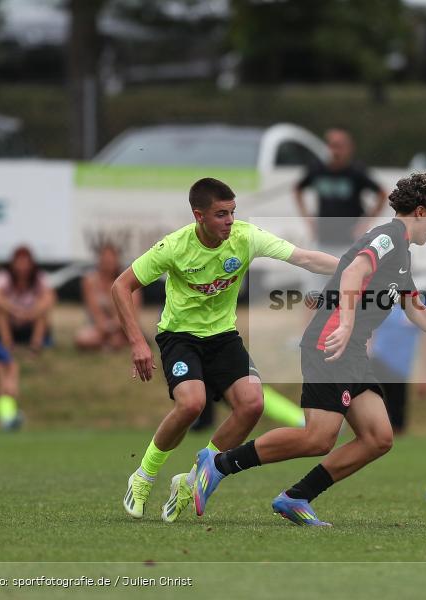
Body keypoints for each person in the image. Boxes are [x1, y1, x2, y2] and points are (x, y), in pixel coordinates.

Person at [192, 171, 426, 527]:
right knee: (318, 437)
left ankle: (296, 497)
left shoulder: (401, 251)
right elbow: (354, 272)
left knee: (378, 437)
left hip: (352, 352)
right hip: (331, 343)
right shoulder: (388, 237)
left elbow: (414, 306)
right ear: (420, 212)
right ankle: (218, 464)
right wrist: (344, 323)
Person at [113, 177, 339, 523]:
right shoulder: (174, 247)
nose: (230, 221)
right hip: (180, 337)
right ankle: (143, 476)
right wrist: (137, 342)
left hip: (223, 337)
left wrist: (355, 268)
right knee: (191, 404)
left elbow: (306, 258)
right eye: (221, 214)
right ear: (198, 215)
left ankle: (190, 481)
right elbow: (121, 286)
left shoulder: (245, 237)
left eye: (233, 212)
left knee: (252, 404)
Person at [294, 128, 388, 258]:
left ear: (349, 148)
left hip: (349, 240)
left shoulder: (356, 171)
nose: (335, 151)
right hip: (323, 238)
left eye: (339, 146)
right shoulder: (317, 169)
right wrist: (308, 219)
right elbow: (298, 189)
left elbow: (382, 194)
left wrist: (366, 223)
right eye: (331, 146)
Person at [368, 301, 426, 434]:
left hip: (400, 371)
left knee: (398, 421)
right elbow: (370, 335)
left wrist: (425, 375)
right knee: (371, 417)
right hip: (377, 362)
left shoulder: (418, 308)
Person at [0, 245, 56, 353]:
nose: (22, 267)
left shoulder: (40, 277)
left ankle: (35, 347)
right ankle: (7, 345)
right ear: (13, 263)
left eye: (25, 263)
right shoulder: (3, 276)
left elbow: (50, 299)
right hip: (10, 320)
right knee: (0, 311)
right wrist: (15, 311)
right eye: (19, 262)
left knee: (42, 312)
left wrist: (30, 314)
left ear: (31, 264)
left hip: (31, 321)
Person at [74, 243, 141, 351]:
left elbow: (132, 312)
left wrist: (114, 327)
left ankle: (112, 342)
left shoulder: (128, 281)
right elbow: (95, 312)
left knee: (119, 337)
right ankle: (110, 343)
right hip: (100, 327)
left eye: (110, 260)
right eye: (105, 260)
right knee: (82, 338)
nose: (107, 264)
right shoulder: (89, 281)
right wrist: (106, 329)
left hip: (123, 328)